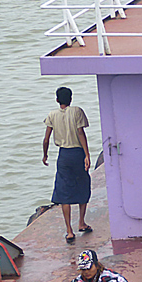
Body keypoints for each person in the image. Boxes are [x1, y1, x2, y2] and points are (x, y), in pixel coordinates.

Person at [43, 86, 92, 244]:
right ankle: (82, 222)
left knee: (64, 191)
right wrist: (87, 154)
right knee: (83, 185)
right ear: (71, 99)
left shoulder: (52, 115)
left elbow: (46, 139)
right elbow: (80, 133)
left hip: (63, 155)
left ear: (57, 100)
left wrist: (45, 155)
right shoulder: (77, 111)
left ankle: (69, 231)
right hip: (77, 153)